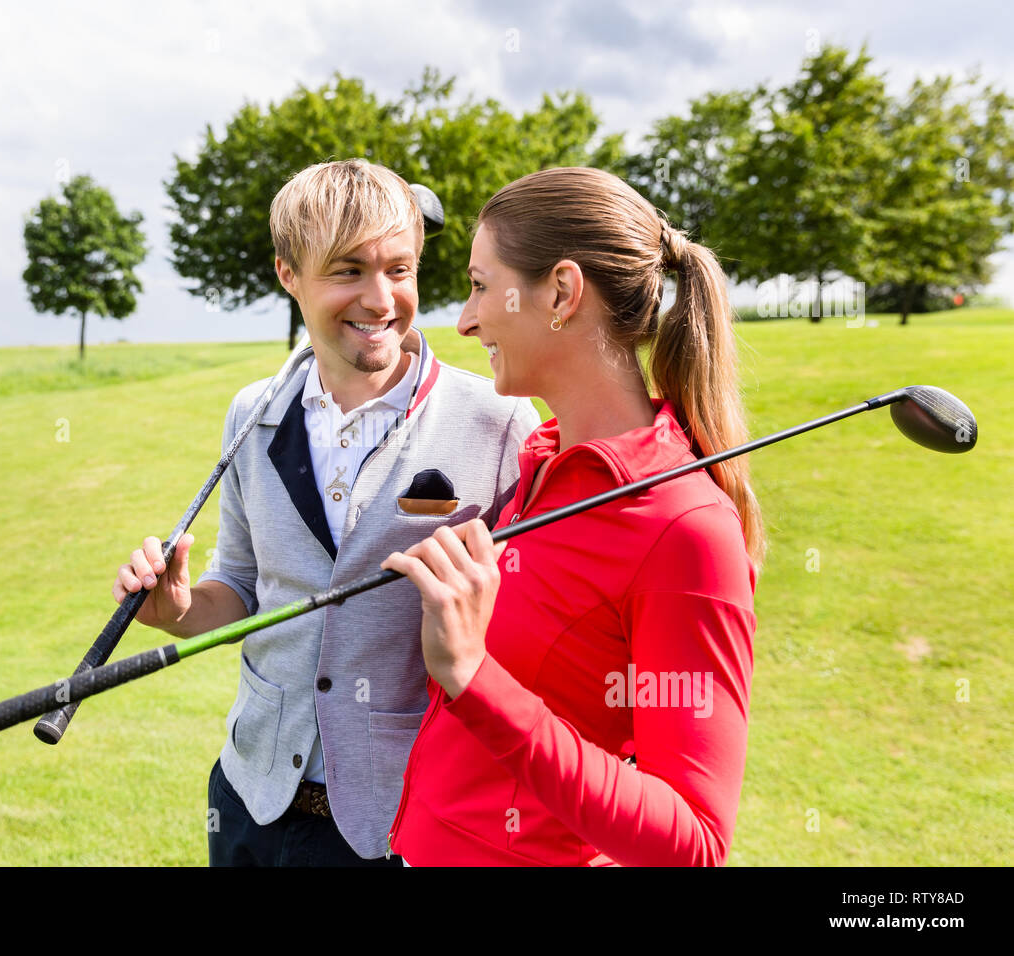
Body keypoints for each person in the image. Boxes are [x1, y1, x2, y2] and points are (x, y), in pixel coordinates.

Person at [113, 159, 540, 865]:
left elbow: (528, 633)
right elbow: (245, 586)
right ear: (288, 274)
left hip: (401, 821)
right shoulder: (253, 413)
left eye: (399, 270)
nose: (381, 300)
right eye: (348, 271)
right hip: (252, 800)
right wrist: (181, 610)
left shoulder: (498, 421)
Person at [381, 166, 764, 866]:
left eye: (478, 285)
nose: (465, 321)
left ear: (559, 293)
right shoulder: (541, 465)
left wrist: (474, 677)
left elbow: (694, 841)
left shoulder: (687, 530)